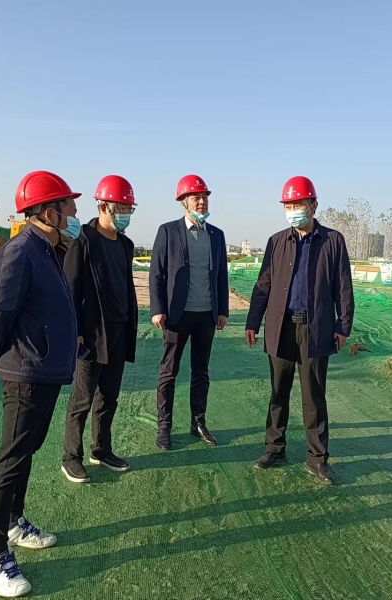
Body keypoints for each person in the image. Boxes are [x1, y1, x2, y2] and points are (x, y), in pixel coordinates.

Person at [0, 170, 81, 598]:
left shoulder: (48, 251)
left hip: (45, 369)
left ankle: (14, 522)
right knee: (11, 459)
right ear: (49, 212)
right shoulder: (20, 251)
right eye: (68, 206)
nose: (74, 213)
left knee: (27, 451)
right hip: (26, 372)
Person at [245, 176, 354, 485]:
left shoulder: (332, 241)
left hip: (315, 329)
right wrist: (253, 322)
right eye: (288, 205)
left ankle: (317, 459)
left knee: (313, 396)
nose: (293, 210)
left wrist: (343, 325)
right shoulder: (277, 241)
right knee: (278, 391)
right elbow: (263, 284)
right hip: (280, 327)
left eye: (298, 204)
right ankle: (274, 449)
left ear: (313, 205)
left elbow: (343, 287)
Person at [61, 175, 139, 483]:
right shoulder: (83, 240)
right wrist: (75, 329)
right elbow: (70, 288)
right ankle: (71, 457)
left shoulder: (126, 245)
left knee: (109, 397)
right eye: (122, 208)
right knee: (82, 399)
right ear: (104, 206)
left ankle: (101, 450)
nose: (126, 214)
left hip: (119, 332)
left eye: (129, 209)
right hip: (91, 335)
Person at [149, 174, 229, 450]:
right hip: (176, 315)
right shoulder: (168, 231)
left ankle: (198, 423)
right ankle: (164, 426)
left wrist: (222, 310)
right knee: (169, 372)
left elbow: (221, 276)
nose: (202, 202)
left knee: (201, 372)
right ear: (183, 201)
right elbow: (156, 273)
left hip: (206, 315)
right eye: (196, 197)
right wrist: (158, 309)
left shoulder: (216, 235)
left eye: (205, 197)